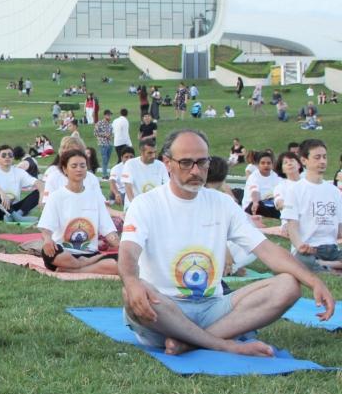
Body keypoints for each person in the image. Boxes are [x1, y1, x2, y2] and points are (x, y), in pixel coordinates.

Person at [119, 129, 334, 357]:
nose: (195, 171)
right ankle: (223, 344)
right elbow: (128, 253)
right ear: (167, 164)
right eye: (185, 163)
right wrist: (132, 282)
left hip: (213, 308)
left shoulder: (222, 203)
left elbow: (266, 250)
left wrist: (313, 281)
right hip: (163, 312)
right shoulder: (145, 204)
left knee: (289, 285)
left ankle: (191, 342)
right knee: (132, 291)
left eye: (202, 162)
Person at [39, 148, 120, 275]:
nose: (79, 169)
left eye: (83, 166)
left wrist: (122, 245)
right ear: (65, 170)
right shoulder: (56, 197)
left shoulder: (95, 197)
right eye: (74, 166)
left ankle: (79, 268)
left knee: (121, 262)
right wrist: (48, 240)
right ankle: (84, 265)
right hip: (64, 253)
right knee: (49, 253)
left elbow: (109, 231)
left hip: (91, 254)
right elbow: (46, 228)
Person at [281, 139, 342, 272]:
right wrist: (300, 246)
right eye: (317, 157)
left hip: (332, 249)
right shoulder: (296, 190)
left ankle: (325, 265)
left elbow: (339, 230)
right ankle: (331, 267)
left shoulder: (335, 192)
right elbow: (292, 227)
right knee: (303, 262)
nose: (322, 161)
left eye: (324, 157)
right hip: (308, 250)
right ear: (304, 161)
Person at [0, 144, 43, 221]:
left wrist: (42, 195)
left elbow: (39, 183)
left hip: (14, 208)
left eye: (10, 155)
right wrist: (2, 193)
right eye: (4, 155)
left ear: (13, 157)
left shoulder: (19, 172)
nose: (7, 157)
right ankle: (16, 217)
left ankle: (17, 215)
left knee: (39, 191)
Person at [121, 138, 169, 208]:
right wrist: (134, 205)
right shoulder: (130, 164)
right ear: (141, 152)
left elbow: (167, 186)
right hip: (134, 205)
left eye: (155, 152)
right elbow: (128, 187)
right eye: (150, 153)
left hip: (154, 205)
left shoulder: (161, 165)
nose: (153, 156)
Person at [242, 151, 281, 220]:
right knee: (258, 205)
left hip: (271, 206)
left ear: (272, 164)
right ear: (258, 165)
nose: (266, 165)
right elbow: (254, 191)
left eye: (268, 163)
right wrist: (255, 202)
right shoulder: (253, 177)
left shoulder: (276, 177)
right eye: (263, 163)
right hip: (254, 206)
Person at [94, 109, 114, 175]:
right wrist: (104, 135)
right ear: (105, 115)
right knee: (104, 159)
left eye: (110, 115)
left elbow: (111, 134)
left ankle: (105, 172)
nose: (110, 117)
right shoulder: (99, 123)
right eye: (108, 115)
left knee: (107, 160)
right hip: (102, 143)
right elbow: (95, 133)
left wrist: (111, 136)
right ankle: (104, 174)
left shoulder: (110, 124)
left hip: (109, 144)